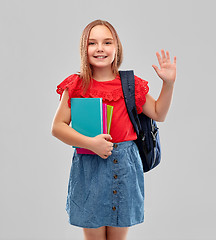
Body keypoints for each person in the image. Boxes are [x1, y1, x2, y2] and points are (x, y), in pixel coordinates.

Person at [51, 19, 176, 240]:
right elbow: (58, 127)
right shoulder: (77, 85)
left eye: (107, 42)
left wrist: (168, 84)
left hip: (125, 167)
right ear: (84, 48)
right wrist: (92, 143)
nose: (100, 48)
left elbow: (158, 113)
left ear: (116, 47)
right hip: (89, 168)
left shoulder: (131, 84)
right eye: (93, 43)